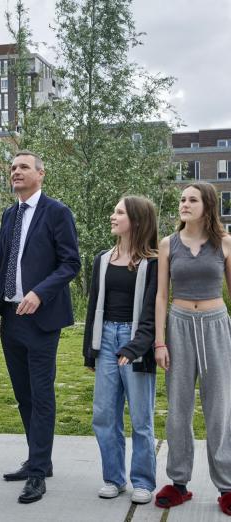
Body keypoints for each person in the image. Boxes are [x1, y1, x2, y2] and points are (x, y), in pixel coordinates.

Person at [0, 151, 80, 504]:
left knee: (41, 395)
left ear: (41, 173)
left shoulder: (57, 213)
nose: (16, 172)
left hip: (41, 320)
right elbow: (1, 266)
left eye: (23, 167)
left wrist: (39, 293)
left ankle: (38, 473)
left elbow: (71, 263)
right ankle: (39, 458)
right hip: (10, 319)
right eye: (12, 168)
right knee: (23, 394)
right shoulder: (10, 214)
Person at [153, 182, 231, 516]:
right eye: (182, 199)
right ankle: (179, 482)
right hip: (179, 325)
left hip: (216, 325)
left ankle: (227, 485)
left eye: (192, 199)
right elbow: (160, 296)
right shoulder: (168, 244)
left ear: (207, 205)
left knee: (220, 408)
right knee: (178, 408)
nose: (184, 204)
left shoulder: (225, 243)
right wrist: (159, 340)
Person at [82, 196, 159, 504]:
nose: (112, 217)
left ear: (137, 221)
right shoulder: (103, 258)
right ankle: (114, 478)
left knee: (141, 418)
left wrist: (134, 346)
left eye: (118, 212)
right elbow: (92, 309)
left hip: (135, 343)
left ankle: (142, 481)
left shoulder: (153, 262)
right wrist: (91, 351)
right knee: (103, 415)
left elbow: (153, 313)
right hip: (106, 340)